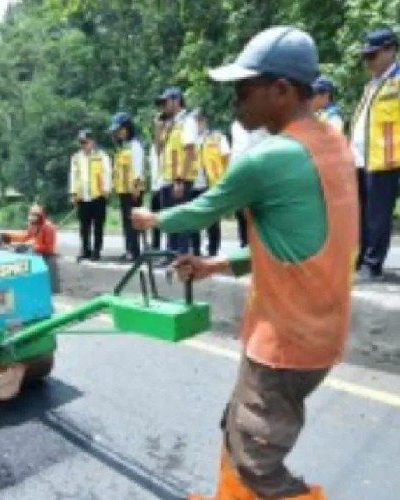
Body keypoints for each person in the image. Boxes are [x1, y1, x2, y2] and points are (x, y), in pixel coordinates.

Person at [132, 26, 356, 500]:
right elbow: (297, 247)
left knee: (256, 460)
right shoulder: (332, 143)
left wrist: (152, 218)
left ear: (281, 90)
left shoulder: (270, 158)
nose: (236, 101)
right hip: (320, 332)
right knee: (238, 426)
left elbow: (200, 210)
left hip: (284, 344)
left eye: (244, 89)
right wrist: (216, 267)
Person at [351, 27, 400, 280]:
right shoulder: (373, 84)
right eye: (365, 57)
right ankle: (359, 261)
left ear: (391, 50)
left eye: (373, 55)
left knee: (377, 216)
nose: (368, 62)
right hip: (362, 158)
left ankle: (373, 265)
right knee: (360, 213)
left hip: (386, 159)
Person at [157, 87, 199, 254]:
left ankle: (181, 253)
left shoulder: (187, 122)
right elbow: (159, 151)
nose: (163, 105)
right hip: (167, 177)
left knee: (181, 218)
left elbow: (189, 151)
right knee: (169, 219)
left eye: (165, 101)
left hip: (180, 179)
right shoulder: (170, 124)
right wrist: (158, 129)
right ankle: (170, 253)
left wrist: (180, 180)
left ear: (176, 101)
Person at [191, 110, 231, 257]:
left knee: (212, 219)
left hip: (211, 183)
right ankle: (195, 248)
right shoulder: (189, 140)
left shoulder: (217, 137)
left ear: (205, 121)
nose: (197, 124)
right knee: (193, 217)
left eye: (200, 120)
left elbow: (226, 158)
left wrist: (226, 181)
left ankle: (213, 249)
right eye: (195, 121)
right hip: (193, 183)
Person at [69, 129, 111, 261]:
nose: (83, 145)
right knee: (84, 226)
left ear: (92, 141)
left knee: (98, 225)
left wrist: (106, 191)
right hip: (83, 196)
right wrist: (73, 193)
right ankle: (85, 249)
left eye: (85, 142)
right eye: (81, 143)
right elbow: (73, 176)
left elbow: (107, 174)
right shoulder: (76, 158)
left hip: (98, 195)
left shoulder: (101, 156)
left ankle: (97, 250)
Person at [109, 112, 145, 260]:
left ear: (127, 128)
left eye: (120, 129)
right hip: (123, 189)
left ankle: (135, 251)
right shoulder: (123, 146)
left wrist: (136, 187)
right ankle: (129, 248)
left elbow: (137, 167)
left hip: (133, 189)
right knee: (126, 222)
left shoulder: (135, 145)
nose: (118, 133)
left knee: (134, 222)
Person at [0, 204, 59, 292]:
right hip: (36, 253)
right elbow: (25, 236)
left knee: (50, 287)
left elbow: (49, 247)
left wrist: (33, 246)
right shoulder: (33, 226)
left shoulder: (48, 227)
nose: (32, 217)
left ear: (40, 216)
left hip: (47, 256)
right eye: (31, 214)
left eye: (35, 215)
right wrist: (9, 237)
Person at [229, 120, 269, 248]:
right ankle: (245, 247)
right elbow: (236, 151)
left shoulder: (266, 122)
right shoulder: (235, 126)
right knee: (241, 216)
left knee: (259, 217)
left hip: (261, 175)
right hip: (240, 175)